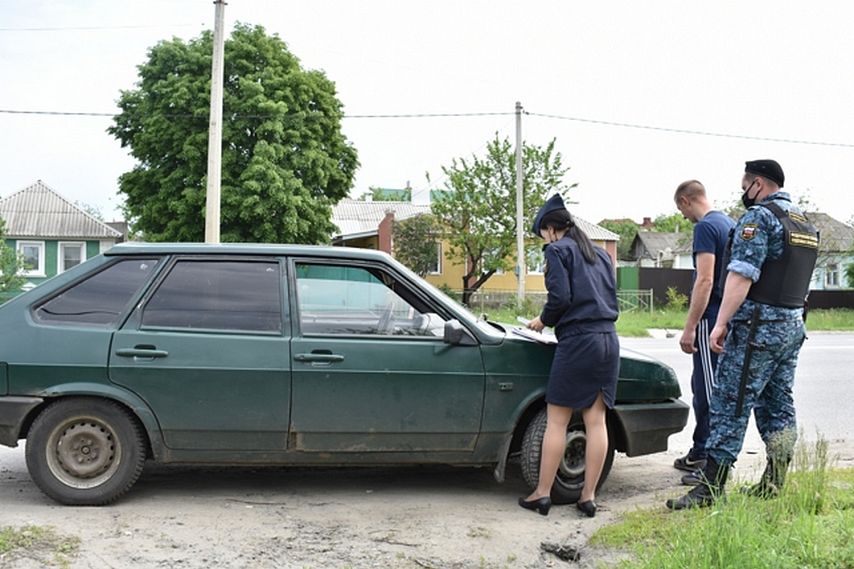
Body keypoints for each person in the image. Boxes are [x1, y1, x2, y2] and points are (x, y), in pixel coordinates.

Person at [667, 159, 819, 510]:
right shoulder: (804, 223)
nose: (743, 192)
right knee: (778, 405)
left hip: (756, 329)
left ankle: (710, 489)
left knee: (729, 404)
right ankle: (774, 481)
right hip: (792, 325)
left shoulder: (759, 218)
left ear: (759, 184)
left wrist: (720, 322)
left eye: (745, 185)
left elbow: (741, 275)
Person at [518, 194, 620, 518]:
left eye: (542, 234)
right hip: (609, 339)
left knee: (557, 420)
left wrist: (542, 321)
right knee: (596, 420)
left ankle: (542, 494)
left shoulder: (557, 251)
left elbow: (560, 298)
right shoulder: (601, 255)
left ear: (550, 229)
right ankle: (587, 497)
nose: (544, 240)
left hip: (579, 341)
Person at [672, 181, 735, 485]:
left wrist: (690, 327)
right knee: (702, 387)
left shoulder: (706, 228)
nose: (684, 217)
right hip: (728, 317)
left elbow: (705, 280)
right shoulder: (729, 223)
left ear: (686, 201)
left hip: (712, 318)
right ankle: (700, 450)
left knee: (711, 394)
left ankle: (711, 466)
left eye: (681, 210)